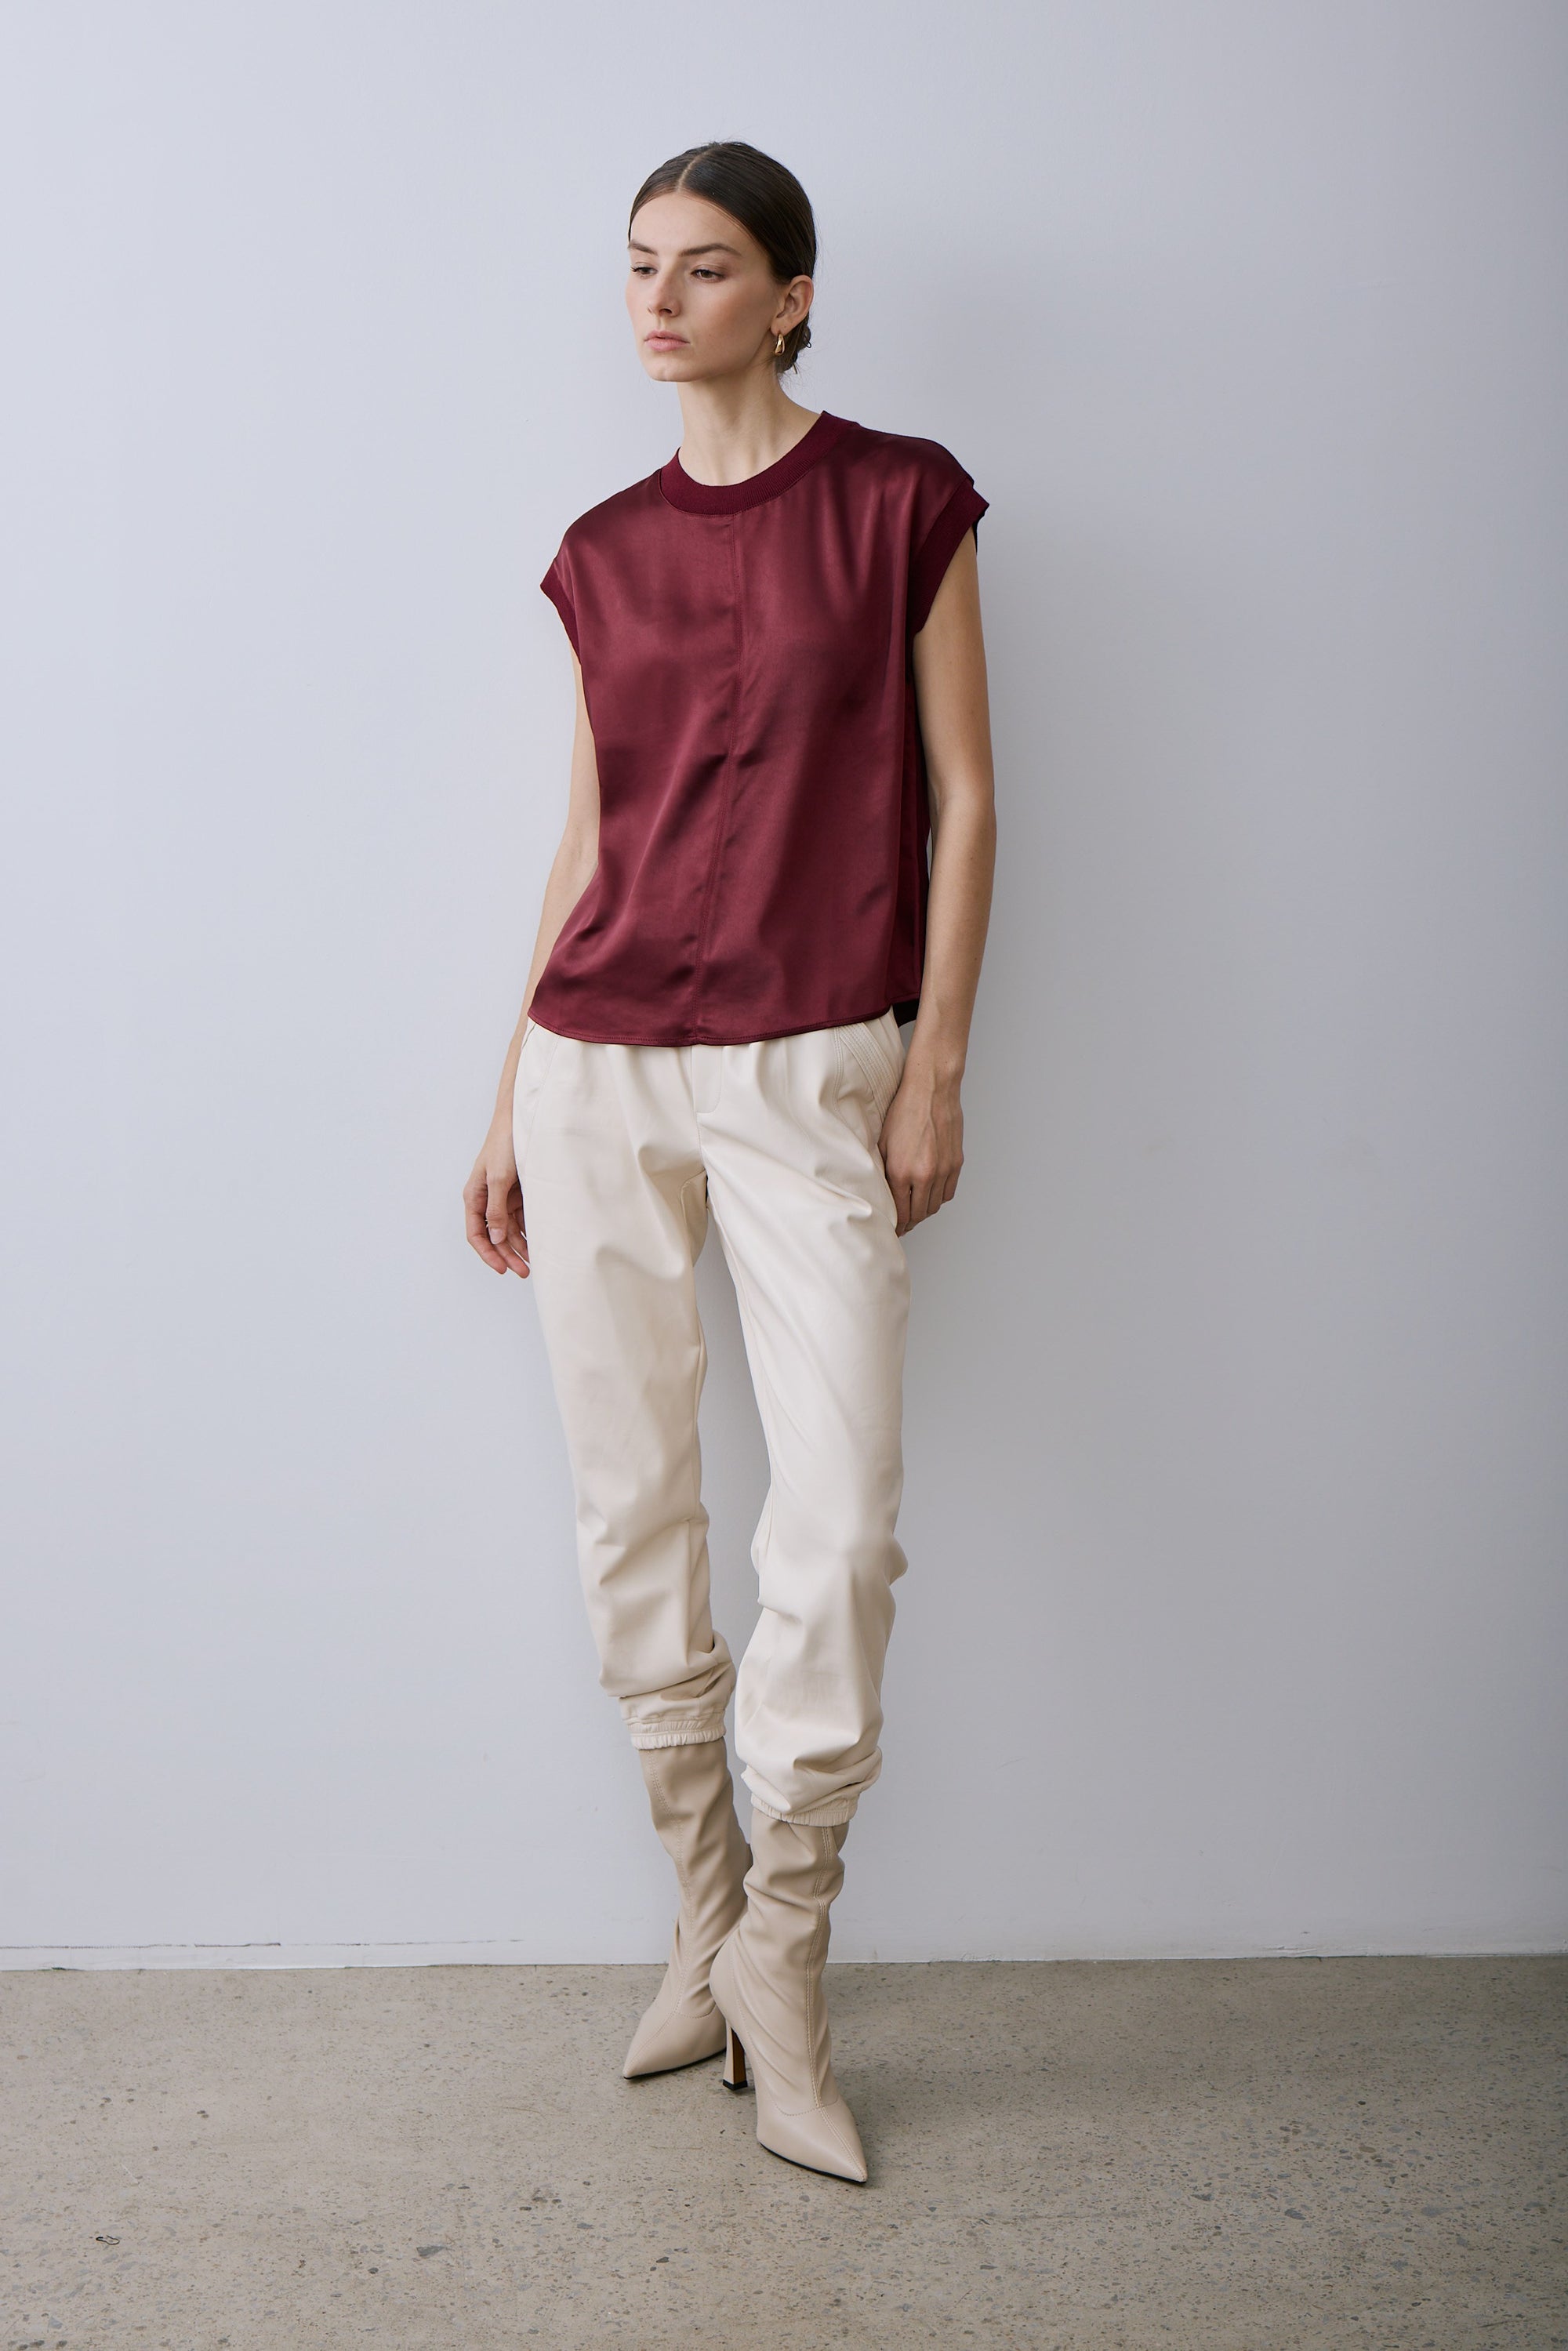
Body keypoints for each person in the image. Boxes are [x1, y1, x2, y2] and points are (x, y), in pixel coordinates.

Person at [464, 140, 996, 2183]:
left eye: (703, 269)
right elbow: (588, 843)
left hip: (812, 1064)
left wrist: (936, 1067)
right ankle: (699, 1916)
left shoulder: (902, 503)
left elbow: (965, 799)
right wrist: (506, 1091)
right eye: (637, 268)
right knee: (634, 1506)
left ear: (792, 296)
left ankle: (788, 1944)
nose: (659, 302)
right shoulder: (599, 552)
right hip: (598, 1063)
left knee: (838, 1526)